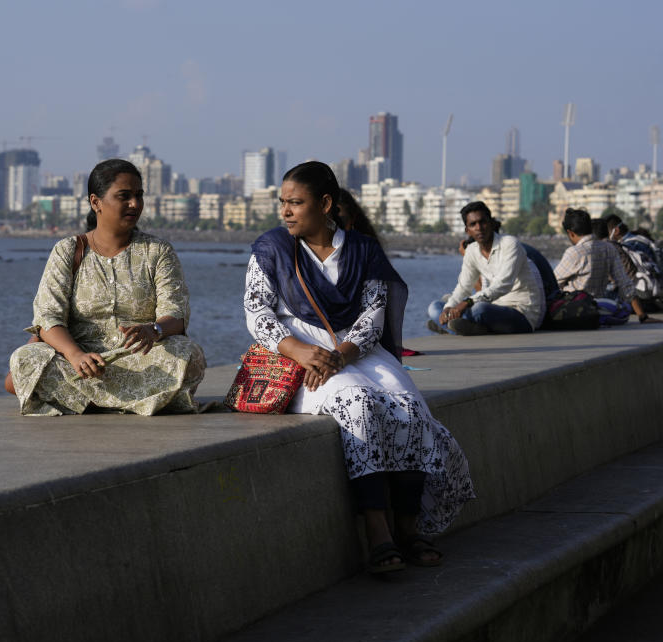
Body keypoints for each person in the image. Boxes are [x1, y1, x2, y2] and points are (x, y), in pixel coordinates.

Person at [243, 161, 474, 573]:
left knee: (409, 406)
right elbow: (257, 312)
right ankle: (377, 531)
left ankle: (408, 525)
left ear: (326, 203)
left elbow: (374, 314)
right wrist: (299, 350)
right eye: (283, 203)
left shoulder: (362, 250)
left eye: (296, 203)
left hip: (356, 351)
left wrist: (342, 354)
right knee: (358, 401)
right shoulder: (272, 248)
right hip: (299, 356)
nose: (286, 212)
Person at [5, 158, 206, 415]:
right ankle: (137, 400)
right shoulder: (68, 250)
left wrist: (153, 330)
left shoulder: (158, 251)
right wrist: (76, 355)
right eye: (124, 196)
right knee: (25, 359)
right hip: (80, 361)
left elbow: (176, 315)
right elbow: (47, 318)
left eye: (139, 195)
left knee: (188, 354)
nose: (135, 204)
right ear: (95, 202)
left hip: (140, 358)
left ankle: (85, 400)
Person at [427, 202, 545, 335]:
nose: (479, 228)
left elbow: (503, 285)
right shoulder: (472, 251)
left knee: (479, 309)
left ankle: (453, 327)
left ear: (491, 223)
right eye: (473, 224)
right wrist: (448, 308)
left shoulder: (510, 244)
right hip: (493, 308)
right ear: (468, 230)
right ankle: (468, 327)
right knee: (434, 308)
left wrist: (467, 302)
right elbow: (464, 287)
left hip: (521, 313)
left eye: (482, 222)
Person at [554, 208, 658, 324]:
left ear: (570, 233)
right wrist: (642, 316)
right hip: (598, 305)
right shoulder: (609, 248)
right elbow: (625, 284)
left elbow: (553, 282)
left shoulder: (575, 252)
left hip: (576, 307)